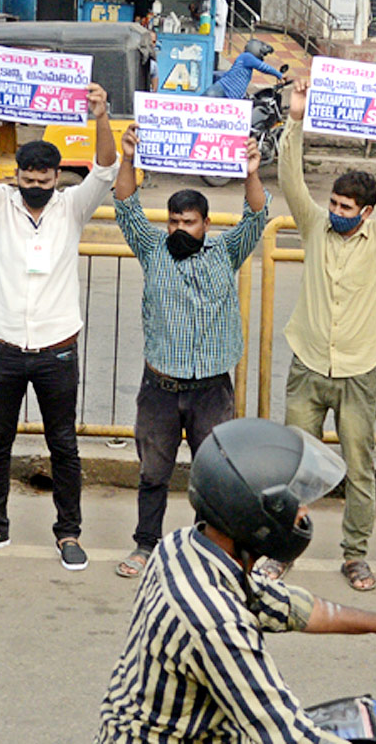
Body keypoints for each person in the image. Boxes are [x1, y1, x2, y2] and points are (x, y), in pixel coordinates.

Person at [95, 418, 376, 743]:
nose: (304, 511)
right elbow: (286, 735)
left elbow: (288, 607)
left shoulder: (183, 546)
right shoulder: (215, 623)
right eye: (294, 500)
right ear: (254, 513)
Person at [273, 78, 376, 591]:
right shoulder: (312, 225)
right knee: (295, 468)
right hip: (308, 366)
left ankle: (355, 556)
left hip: (358, 373)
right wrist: (295, 119)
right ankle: (283, 551)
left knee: (359, 469)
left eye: (348, 208)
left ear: (367, 212)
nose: (338, 213)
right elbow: (291, 179)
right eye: (336, 205)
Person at [0, 73, 117, 570]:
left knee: (63, 444)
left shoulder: (72, 208)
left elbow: (106, 170)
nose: (38, 186)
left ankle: (68, 534)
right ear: (17, 174)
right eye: (30, 178)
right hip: (1, 346)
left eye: (46, 180)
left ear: (58, 177)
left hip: (57, 350)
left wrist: (102, 115)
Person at [111, 125, 269, 579]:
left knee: (217, 477)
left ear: (206, 224)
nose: (180, 229)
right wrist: (127, 158)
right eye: (174, 221)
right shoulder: (152, 248)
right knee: (152, 474)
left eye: (189, 222)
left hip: (212, 390)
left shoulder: (226, 252)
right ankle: (145, 545)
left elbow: (256, 216)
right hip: (159, 387)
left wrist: (251, 173)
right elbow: (125, 205)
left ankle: (214, 552)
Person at [205, 38, 285, 99]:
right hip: (223, 90)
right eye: (262, 54)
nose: (262, 57)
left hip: (230, 95)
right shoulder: (247, 57)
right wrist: (279, 75)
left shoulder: (245, 63)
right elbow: (264, 67)